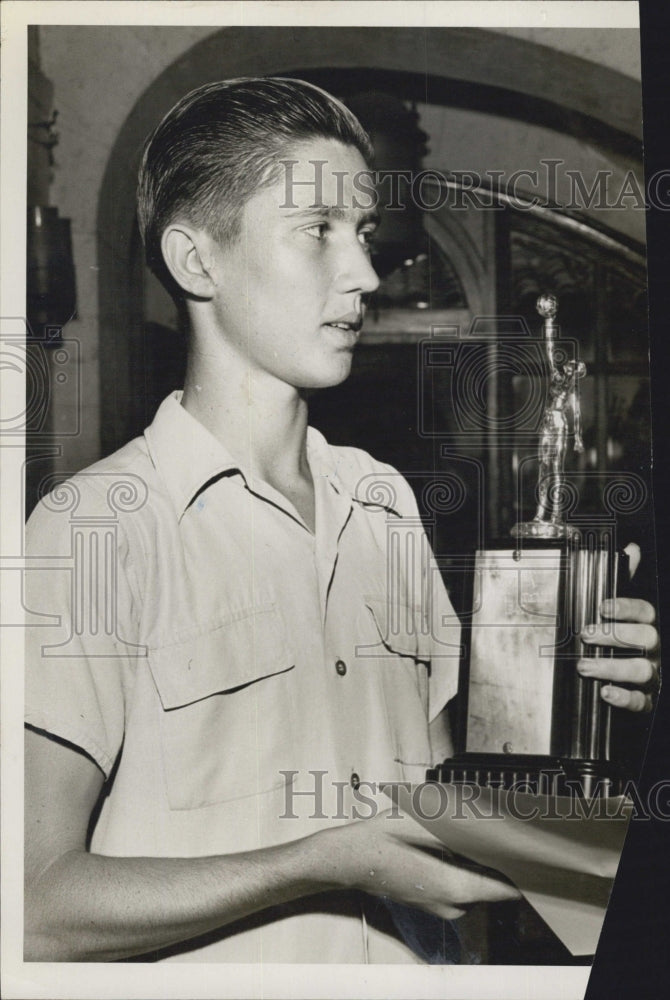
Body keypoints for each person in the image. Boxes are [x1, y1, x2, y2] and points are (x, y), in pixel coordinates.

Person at [24, 77, 659, 965]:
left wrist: (576, 705)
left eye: (360, 233)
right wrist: (318, 864)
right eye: (316, 230)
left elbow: (448, 802)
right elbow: (31, 906)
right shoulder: (91, 531)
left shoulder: (384, 503)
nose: (365, 272)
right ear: (196, 260)